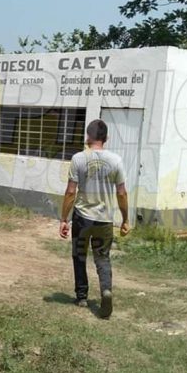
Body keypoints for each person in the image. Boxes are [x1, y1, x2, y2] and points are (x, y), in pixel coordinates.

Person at [59, 119, 130, 319]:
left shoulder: (78, 159)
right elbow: (122, 193)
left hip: (82, 218)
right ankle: (106, 290)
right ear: (106, 138)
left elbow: (71, 191)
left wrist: (64, 219)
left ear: (88, 137)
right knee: (102, 257)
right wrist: (125, 219)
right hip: (104, 220)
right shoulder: (116, 161)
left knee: (79, 255)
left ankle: (82, 297)